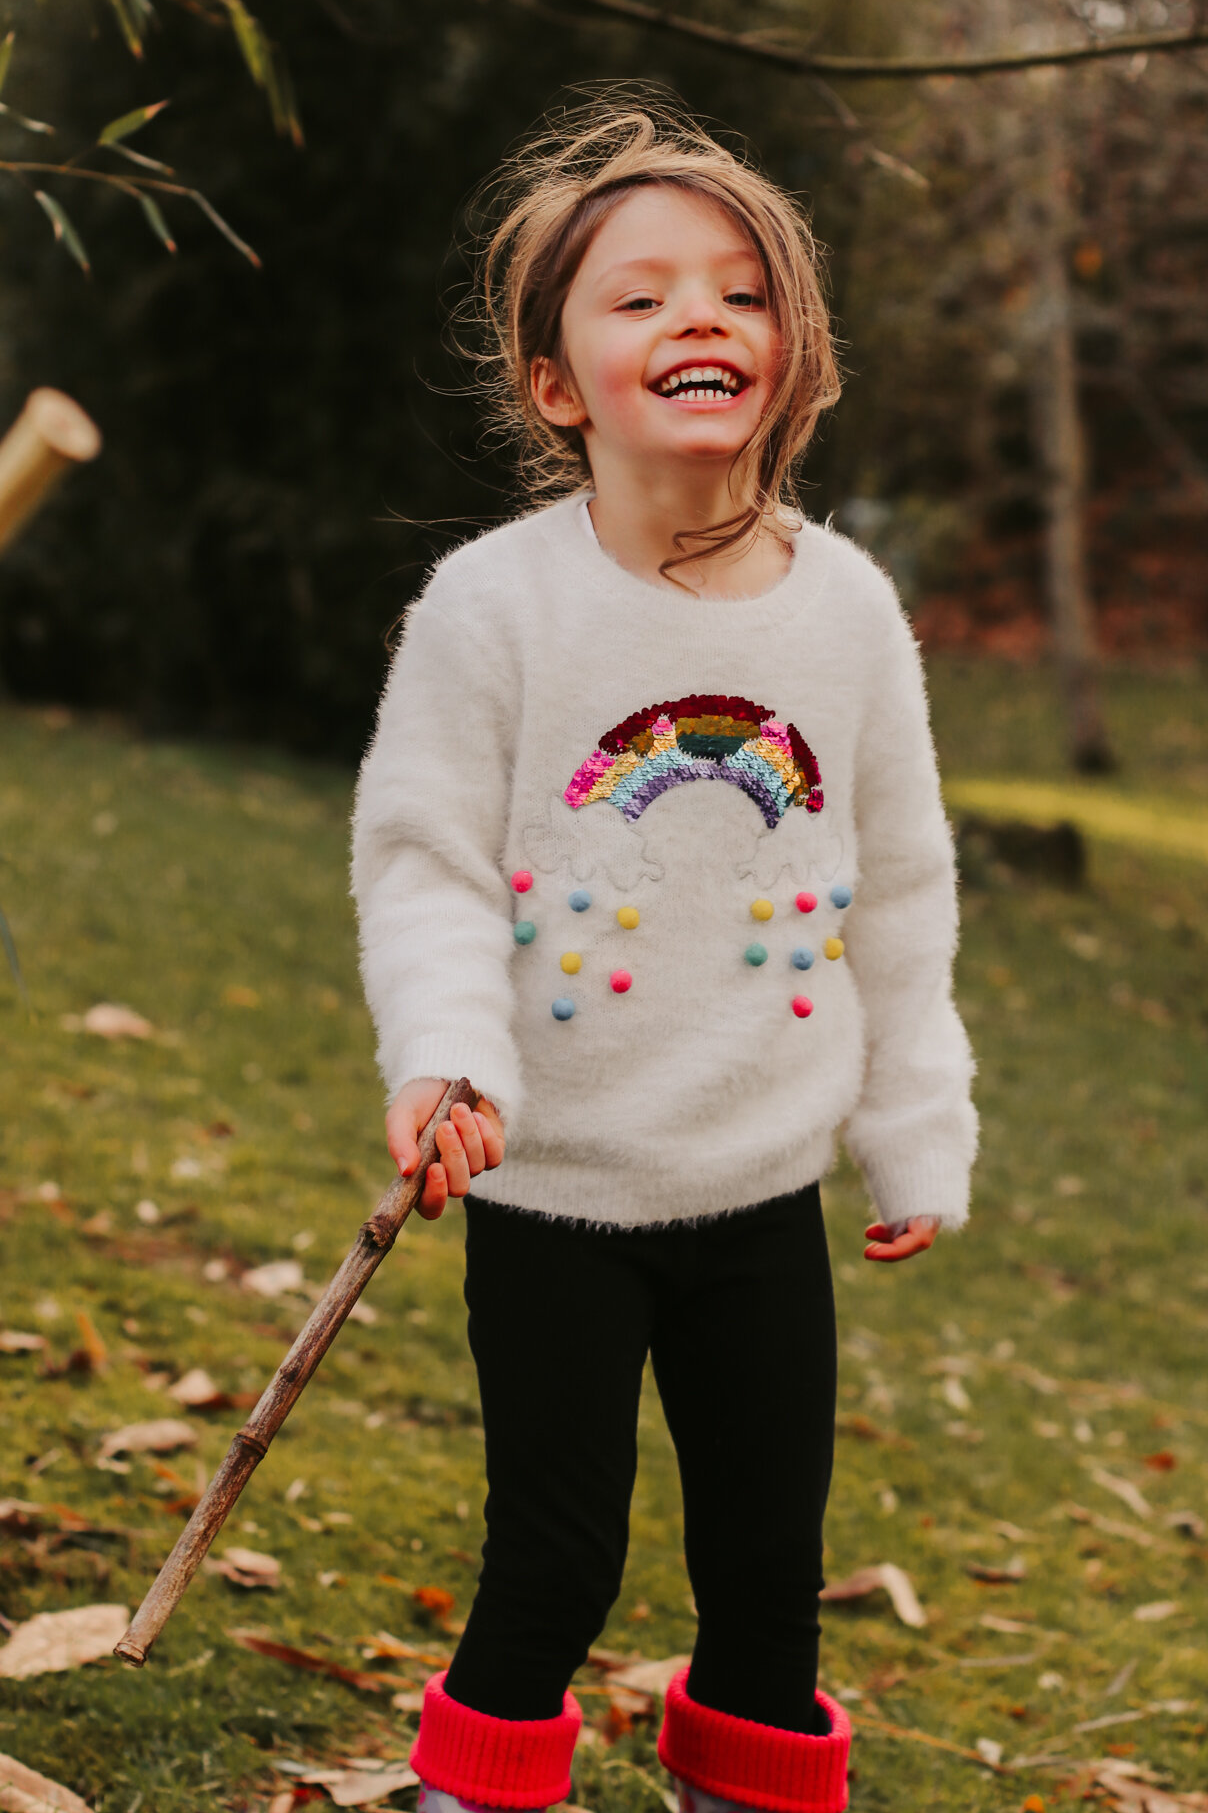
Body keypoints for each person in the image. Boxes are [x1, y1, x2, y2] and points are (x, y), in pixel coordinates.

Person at [351, 98, 979, 1813]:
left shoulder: (846, 613)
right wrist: (448, 1057)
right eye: (637, 297)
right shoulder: (495, 608)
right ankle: (472, 1789)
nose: (697, 317)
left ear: (791, 352)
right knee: (553, 1559)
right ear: (556, 383)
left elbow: (905, 889)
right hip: (555, 1186)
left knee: (770, 1572)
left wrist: (911, 1125)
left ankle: (748, 1786)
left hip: (760, 1189)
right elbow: (425, 866)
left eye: (737, 291)